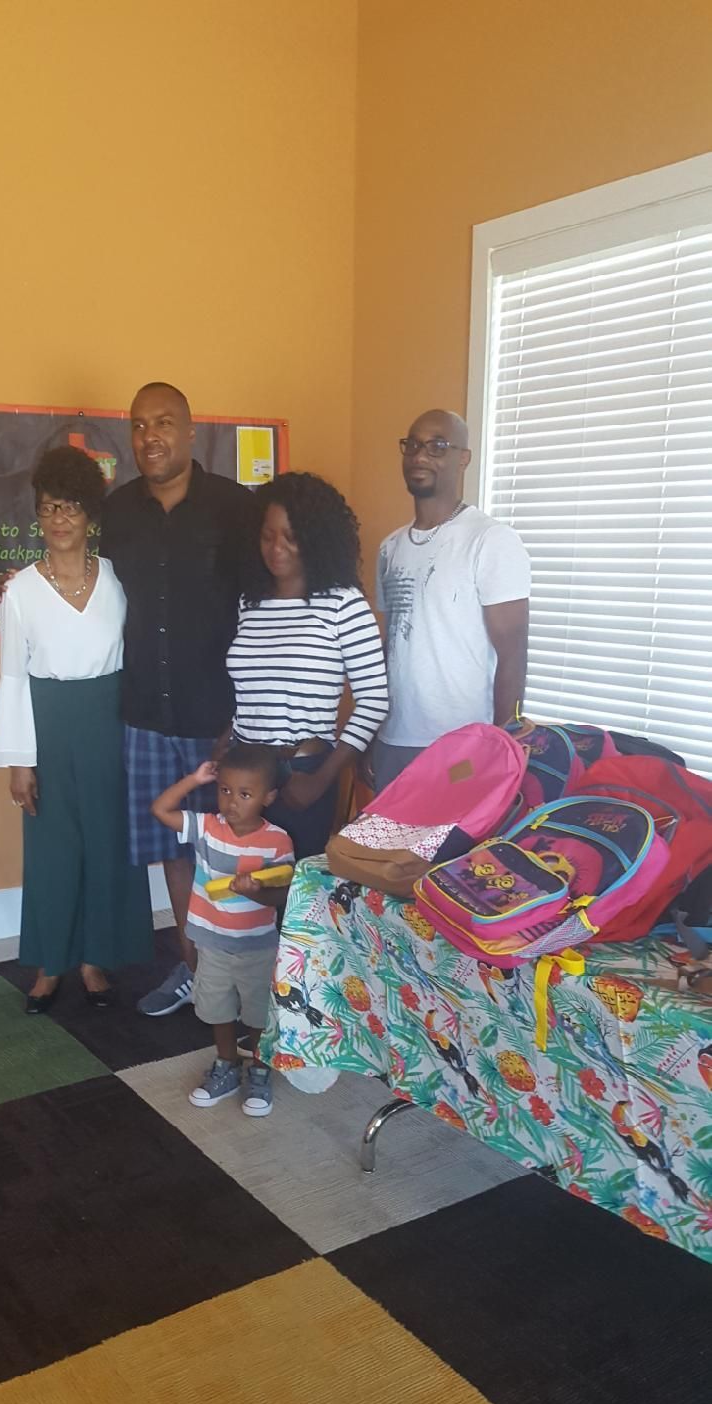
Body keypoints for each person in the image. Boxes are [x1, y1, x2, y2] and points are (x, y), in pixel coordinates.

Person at [101, 383, 257, 1019]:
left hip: (217, 717)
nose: (150, 437)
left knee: (231, 850)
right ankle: (194, 972)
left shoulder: (235, 508)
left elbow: (260, 610)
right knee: (171, 849)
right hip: (144, 713)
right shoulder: (116, 512)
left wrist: (243, 716)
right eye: (139, 426)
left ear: (191, 432)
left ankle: (244, 976)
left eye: (163, 422)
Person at [0, 446, 153, 1013]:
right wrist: (19, 761)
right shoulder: (19, 592)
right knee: (54, 851)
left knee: (107, 846)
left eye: (71, 507)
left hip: (110, 724)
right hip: (49, 725)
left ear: (90, 515)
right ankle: (50, 965)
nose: (59, 519)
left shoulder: (117, 579)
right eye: (48, 507)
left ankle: (94, 961)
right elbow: (13, 677)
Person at [225, 471, 388, 858]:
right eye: (267, 536)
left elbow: (374, 701)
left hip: (302, 773)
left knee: (296, 886)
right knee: (244, 884)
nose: (276, 548)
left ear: (315, 538)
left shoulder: (344, 604)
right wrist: (226, 741)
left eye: (291, 536)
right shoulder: (251, 602)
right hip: (245, 775)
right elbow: (254, 689)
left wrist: (322, 779)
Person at [370, 409, 530, 794]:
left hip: (461, 744)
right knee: (387, 834)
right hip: (394, 740)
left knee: (451, 835)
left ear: (464, 458)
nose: (420, 456)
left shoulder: (491, 540)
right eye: (412, 445)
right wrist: (372, 733)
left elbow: (512, 653)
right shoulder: (390, 548)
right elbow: (390, 646)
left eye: (437, 446)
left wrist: (500, 742)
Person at [151, 744, 294, 1116]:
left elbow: (283, 894)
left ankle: (259, 1070)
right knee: (218, 1010)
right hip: (211, 944)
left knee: (258, 1015)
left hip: (257, 947)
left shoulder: (277, 841)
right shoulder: (207, 828)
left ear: (268, 797)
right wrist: (194, 779)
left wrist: (256, 891)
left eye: (245, 794)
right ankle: (226, 1065)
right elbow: (161, 810)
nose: (232, 802)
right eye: (225, 790)